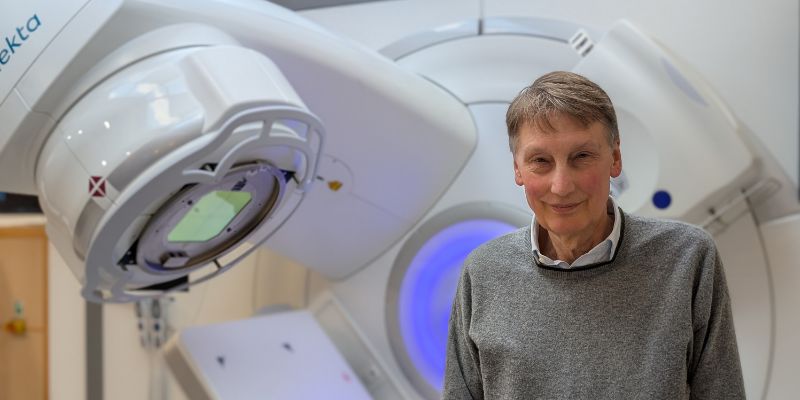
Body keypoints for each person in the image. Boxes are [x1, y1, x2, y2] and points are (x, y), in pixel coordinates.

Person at [442, 71, 745, 399]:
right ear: (517, 169)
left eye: (581, 157)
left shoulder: (687, 258)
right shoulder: (483, 272)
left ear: (615, 158)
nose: (561, 186)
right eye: (540, 161)